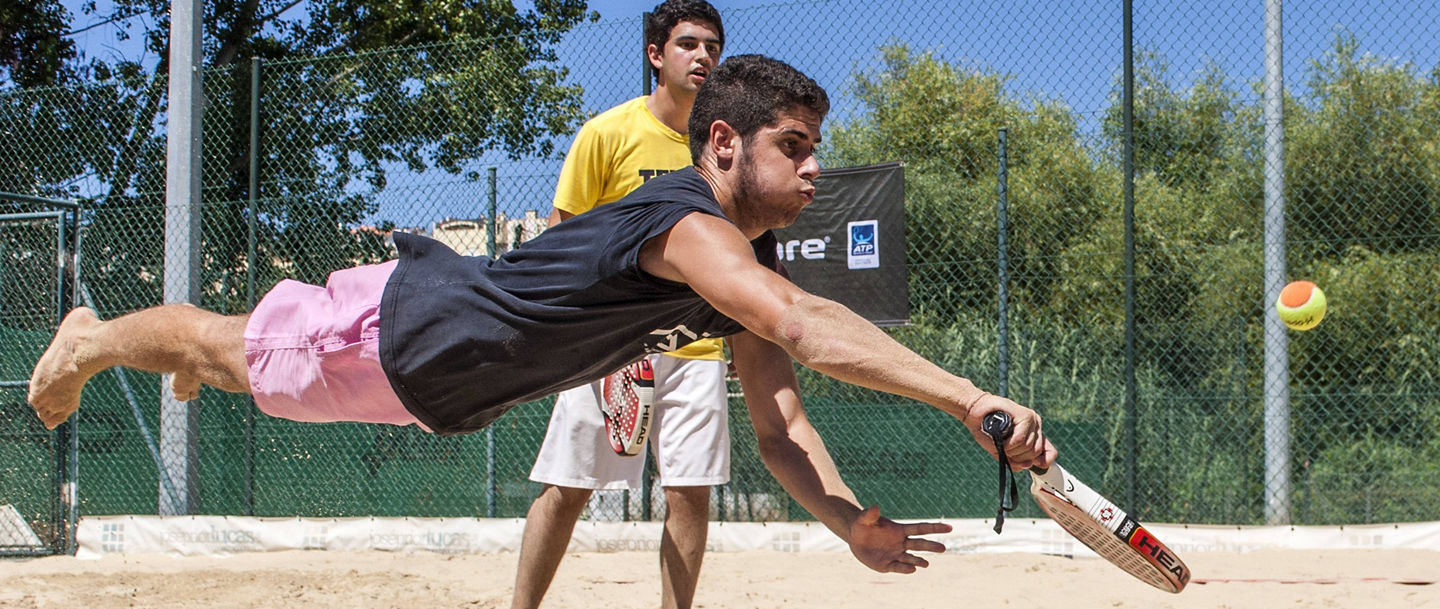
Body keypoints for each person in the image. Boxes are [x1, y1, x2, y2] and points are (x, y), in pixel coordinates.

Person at [27, 55, 1056, 577]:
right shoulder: (691, 221)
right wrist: (966, 397)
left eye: (818, 146)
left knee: (245, 366)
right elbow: (803, 327)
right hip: (402, 337)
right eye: (797, 144)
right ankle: (92, 339)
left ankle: (198, 359)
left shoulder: (743, 258)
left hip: (443, 386)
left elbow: (781, 422)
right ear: (727, 144)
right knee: (222, 344)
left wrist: (846, 523)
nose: (815, 167)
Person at [515, 3, 726, 608]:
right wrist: (572, 337)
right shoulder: (606, 132)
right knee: (569, 487)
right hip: (608, 344)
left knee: (690, 491)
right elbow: (563, 239)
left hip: (696, 343)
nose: (703, 56)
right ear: (656, 55)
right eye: (688, 44)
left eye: (712, 45)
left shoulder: (721, 147)